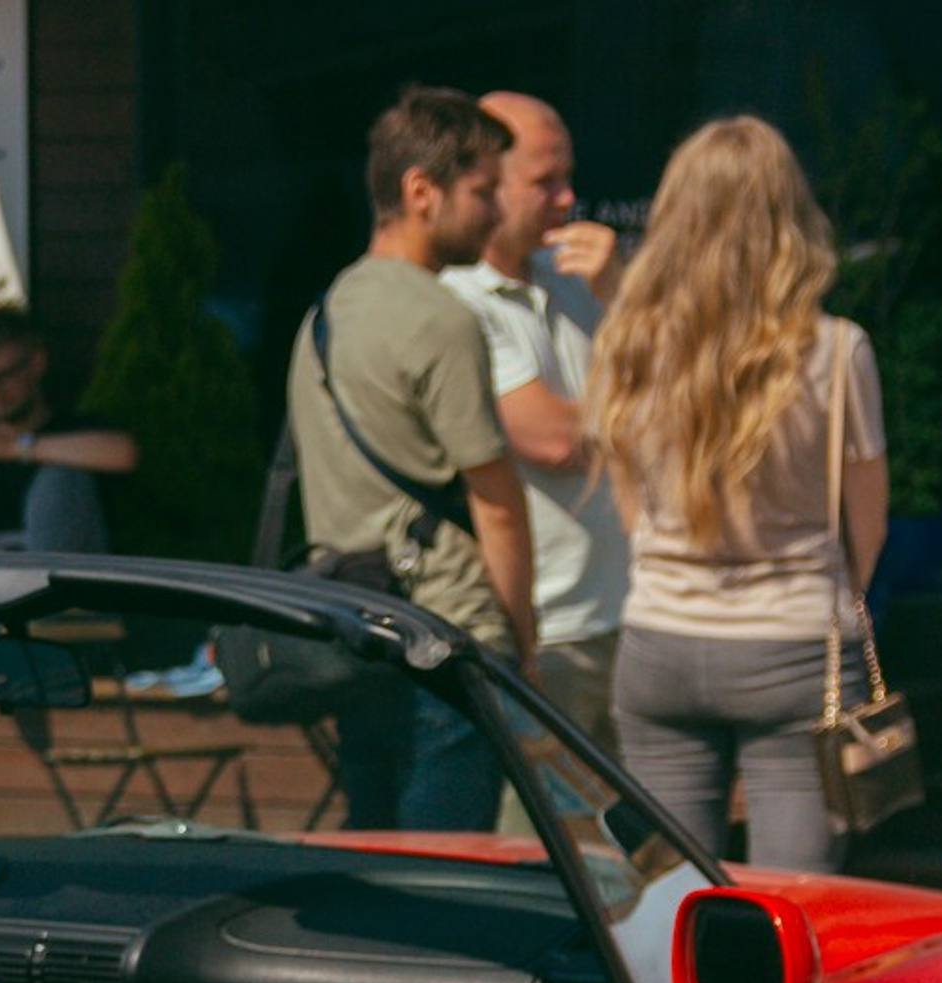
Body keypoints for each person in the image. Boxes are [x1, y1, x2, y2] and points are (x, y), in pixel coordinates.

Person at [588, 116, 886, 871]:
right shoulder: (836, 348)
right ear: (789, 216)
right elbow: (866, 526)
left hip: (659, 640)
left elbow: (629, 508)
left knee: (668, 900)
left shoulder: (626, 341)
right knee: (798, 906)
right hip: (794, 648)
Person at [285, 87, 536, 828]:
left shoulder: (323, 315)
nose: (496, 211)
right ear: (421, 192)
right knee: (446, 882)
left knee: (378, 865)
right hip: (446, 634)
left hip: (357, 630)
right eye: (483, 190)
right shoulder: (442, 320)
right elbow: (498, 505)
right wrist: (522, 643)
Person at [441, 91, 630, 753]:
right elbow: (552, 437)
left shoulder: (579, 278)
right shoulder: (459, 300)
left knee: (654, 850)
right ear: (486, 183)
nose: (566, 199)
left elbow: (681, 390)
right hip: (549, 629)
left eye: (569, 177)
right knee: (558, 844)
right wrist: (646, 410)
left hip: (631, 611)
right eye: (543, 181)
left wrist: (619, 294)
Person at [0, 306, 135, 554]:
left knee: (59, 478)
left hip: (64, 586)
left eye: (4, 376)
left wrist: (12, 448)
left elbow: (125, 453)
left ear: (37, 363)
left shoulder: (72, 431)